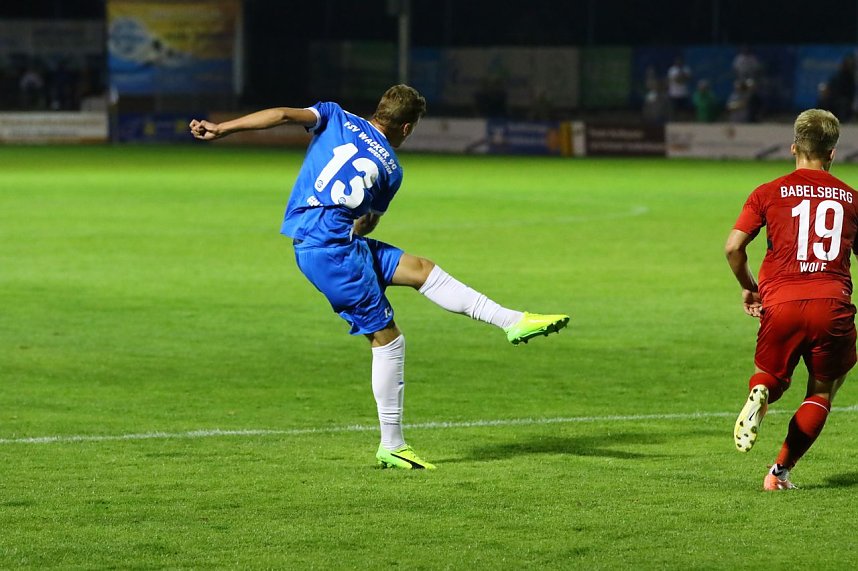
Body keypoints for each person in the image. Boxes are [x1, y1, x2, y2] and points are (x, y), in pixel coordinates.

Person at [189, 85, 569, 470]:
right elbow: (367, 220)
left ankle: (512, 321)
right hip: (332, 251)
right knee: (388, 341)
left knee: (420, 269)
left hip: (328, 241)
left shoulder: (335, 116)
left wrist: (222, 129)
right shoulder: (392, 167)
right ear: (406, 127)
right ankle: (393, 444)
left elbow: (284, 114)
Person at [725, 109, 858, 491]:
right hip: (831, 305)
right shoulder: (851, 199)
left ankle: (761, 391)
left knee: (771, 374)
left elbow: (733, 247)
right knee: (821, 390)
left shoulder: (768, 192)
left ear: (793, 147)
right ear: (832, 153)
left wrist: (749, 285)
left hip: (780, 302)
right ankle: (779, 473)